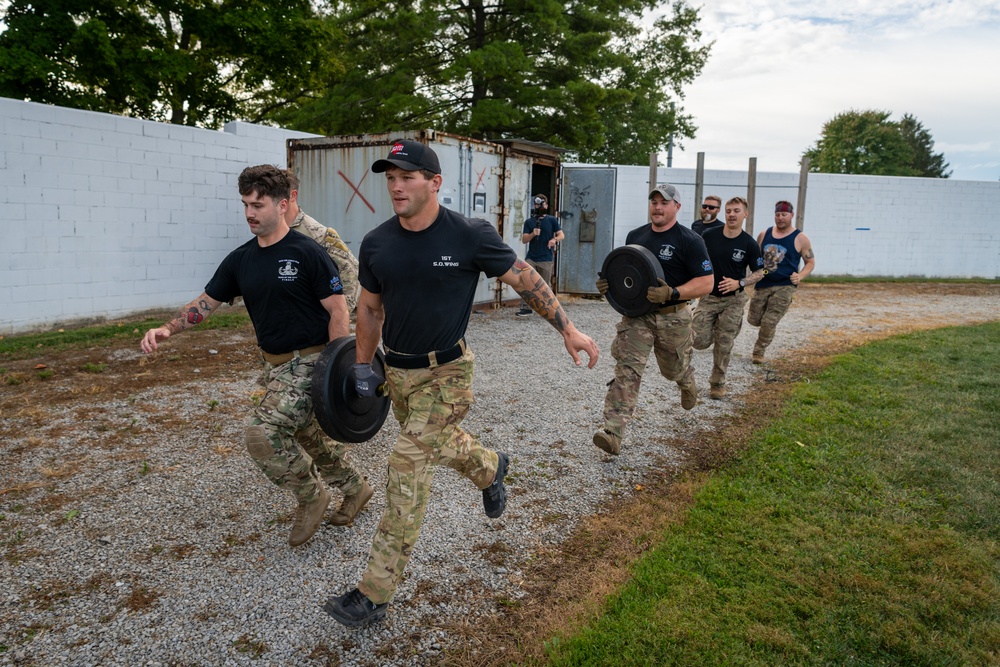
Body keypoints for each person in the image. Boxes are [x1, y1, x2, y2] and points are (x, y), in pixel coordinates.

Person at [322, 140, 599, 627]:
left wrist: (568, 328)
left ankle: (373, 594)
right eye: (390, 177)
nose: (396, 185)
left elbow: (524, 278)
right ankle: (491, 467)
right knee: (437, 445)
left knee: (406, 465)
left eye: (407, 176)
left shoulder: (470, 235)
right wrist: (363, 367)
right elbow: (368, 308)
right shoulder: (377, 242)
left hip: (448, 373)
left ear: (434, 183)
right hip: (400, 375)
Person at [139, 165, 371, 548]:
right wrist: (168, 329)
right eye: (245, 204)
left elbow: (338, 311)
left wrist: (332, 372)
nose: (249, 213)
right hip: (274, 364)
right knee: (307, 434)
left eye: (258, 205)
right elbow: (206, 302)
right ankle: (356, 488)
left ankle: (313, 496)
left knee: (262, 433)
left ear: (283, 205)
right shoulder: (240, 259)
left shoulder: (309, 252)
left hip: (311, 360)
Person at [593, 184, 714, 456]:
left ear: (677, 207)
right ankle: (613, 432)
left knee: (672, 369)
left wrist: (673, 292)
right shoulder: (636, 236)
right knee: (627, 369)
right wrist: (609, 284)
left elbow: (707, 282)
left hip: (673, 317)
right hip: (638, 316)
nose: (657, 207)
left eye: (664, 203)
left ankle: (686, 380)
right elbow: (628, 274)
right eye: (654, 202)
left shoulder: (690, 240)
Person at [691, 197, 765, 399]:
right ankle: (716, 328)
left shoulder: (749, 244)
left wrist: (739, 282)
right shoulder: (709, 235)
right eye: (729, 211)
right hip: (709, 297)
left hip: (733, 300)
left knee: (724, 343)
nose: (732, 214)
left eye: (736, 211)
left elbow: (761, 272)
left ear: (745, 214)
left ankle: (717, 384)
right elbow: (696, 258)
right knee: (698, 341)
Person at [282, 169, 361, 314]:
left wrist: (340, 314)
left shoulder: (317, 234)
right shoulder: (269, 231)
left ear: (292, 195)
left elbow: (350, 269)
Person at [747, 200, 816, 364]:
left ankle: (759, 351)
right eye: (777, 214)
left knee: (769, 321)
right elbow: (756, 257)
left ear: (791, 215)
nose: (780, 218)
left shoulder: (801, 238)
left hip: (785, 285)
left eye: (784, 214)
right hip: (764, 282)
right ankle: (764, 330)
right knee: (753, 319)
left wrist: (800, 276)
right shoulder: (764, 234)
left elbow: (811, 263)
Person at [515, 193, 564, 316]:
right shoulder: (529, 222)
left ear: (546, 205)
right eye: (537, 204)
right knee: (526, 281)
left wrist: (554, 240)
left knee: (544, 285)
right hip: (531, 257)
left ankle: (549, 309)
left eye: (541, 204)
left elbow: (561, 235)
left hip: (546, 258)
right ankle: (526, 308)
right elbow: (524, 239)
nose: (539, 206)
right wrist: (533, 234)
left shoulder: (552, 220)